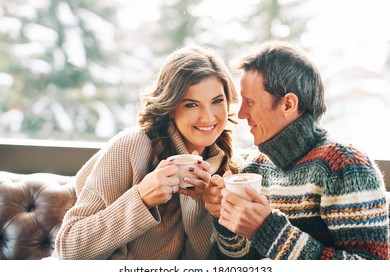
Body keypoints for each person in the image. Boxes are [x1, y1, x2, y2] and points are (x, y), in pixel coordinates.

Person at [203, 40, 389, 260]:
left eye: (250, 102)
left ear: (288, 104)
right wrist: (225, 218)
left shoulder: (345, 166)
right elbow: (235, 265)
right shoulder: (256, 167)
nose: (241, 114)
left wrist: (266, 230)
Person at [54, 46, 240, 260]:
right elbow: (68, 249)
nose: (208, 118)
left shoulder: (229, 169)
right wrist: (142, 198)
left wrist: (218, 215)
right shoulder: (132, 148)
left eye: (217, 101)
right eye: (191, 105)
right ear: (170, 107)